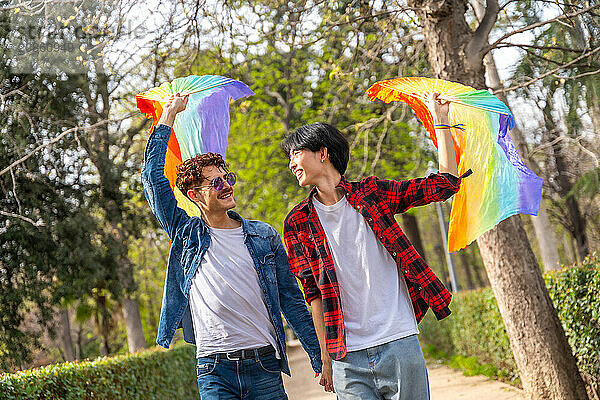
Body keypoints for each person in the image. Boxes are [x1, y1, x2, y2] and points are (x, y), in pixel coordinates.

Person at [281, 94, 470, 399]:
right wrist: (325, 356)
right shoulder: (297, 222)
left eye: (296, 154)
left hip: (398, 341)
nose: (291, 164)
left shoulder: (373, 194)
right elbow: (312, 293)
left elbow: (444, 184)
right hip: (346, 356)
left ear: (322, 154)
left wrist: (441, 119)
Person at [141, 93, 322, 399]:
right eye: (216, 182)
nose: (226, 185)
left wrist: (319, 358)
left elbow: (291, 300)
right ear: (196, 195)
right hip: (214, 370)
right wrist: (168, 116)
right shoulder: (188, 235)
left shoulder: (263, 236)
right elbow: (152, 179)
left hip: (264, 366)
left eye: (227, 177)